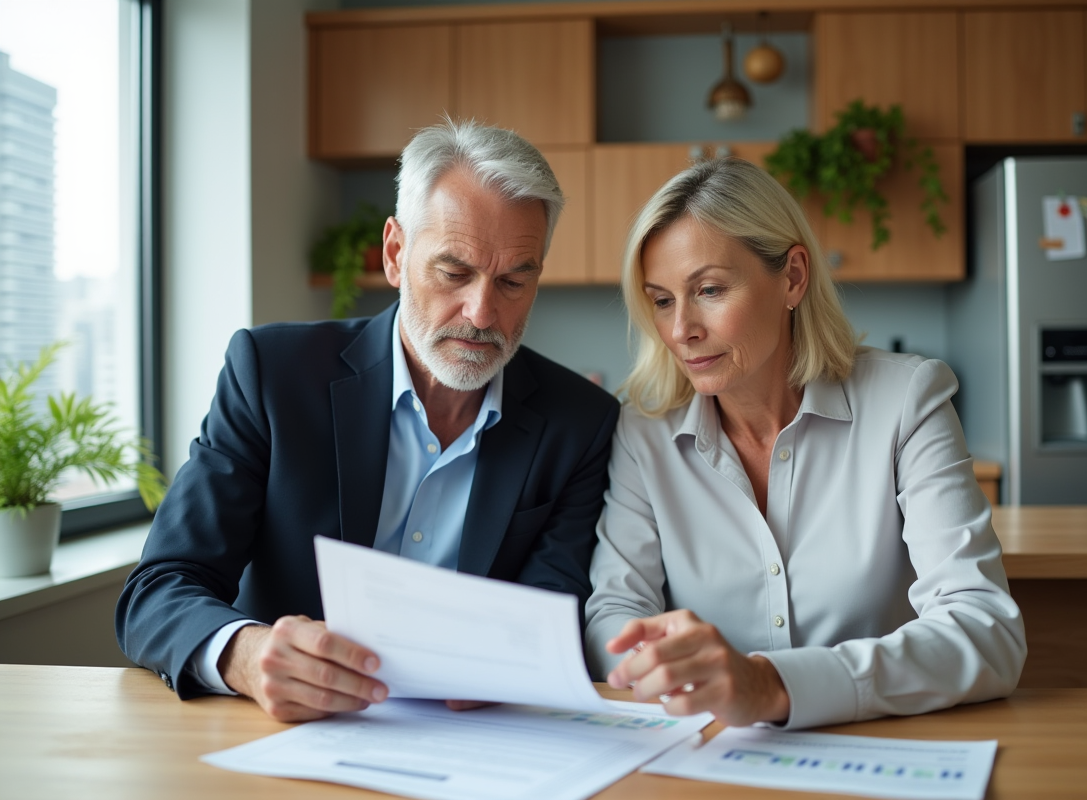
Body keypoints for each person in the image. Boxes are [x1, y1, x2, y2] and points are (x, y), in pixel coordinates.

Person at [117, 121, 619, 722]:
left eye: (514, 280)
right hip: (281, 731)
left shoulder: (580, 422)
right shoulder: (273, 375)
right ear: (395, 254)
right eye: (454, 272)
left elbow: (552, 611)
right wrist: (245, 655)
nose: (483, 312)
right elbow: (159, 588)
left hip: (475, 736)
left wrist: (511, 660)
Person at [584, 157, 1026, 730]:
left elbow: (985, 631)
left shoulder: (905, 400)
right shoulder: (643, 433)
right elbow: (616, 612)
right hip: (715, 751)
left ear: (792, 277)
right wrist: (657, 666)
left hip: (881, 745)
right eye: (662, 300)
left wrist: (772, 686)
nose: (680, 329)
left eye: (709, 290)